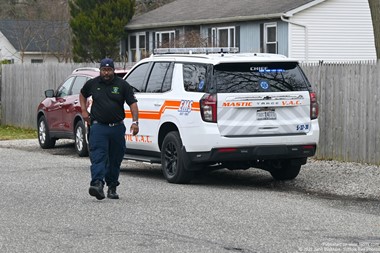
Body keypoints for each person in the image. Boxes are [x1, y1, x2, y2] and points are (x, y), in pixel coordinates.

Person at [79, 58, 139, 200]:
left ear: (113, 70)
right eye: (103, 70)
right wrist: (83, 110)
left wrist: (135, 122)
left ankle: (112, 187)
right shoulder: (93, 83)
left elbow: (133, 103)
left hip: (116, 128)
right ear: (100, 70)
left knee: (115, 158)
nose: (106, 73)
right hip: (98, 127)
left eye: (109, 70)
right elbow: (82, 94)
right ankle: (97, 184)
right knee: (98, 156)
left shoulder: (122, 85)